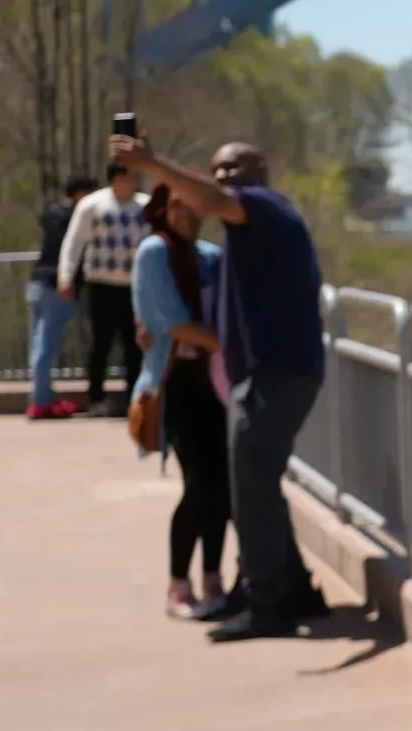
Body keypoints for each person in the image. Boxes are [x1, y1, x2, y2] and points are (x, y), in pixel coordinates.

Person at [110, 135, 330, 643]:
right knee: (256, 484)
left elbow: (214, 199)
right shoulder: (240, 234)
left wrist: (149, 163)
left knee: (249, 484)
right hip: (267, 373)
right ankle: (294, 589)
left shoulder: (261, 207)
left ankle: (267, 603)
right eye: (218, 169)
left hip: (276, 372)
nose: (225, 176)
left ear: (261, 169)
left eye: (234, 167)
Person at [131, 184, 232, 621]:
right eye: (176, 205)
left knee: (223, 487)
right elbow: (170, 323)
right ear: (163, 209)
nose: (185, 214)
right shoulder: (154, 253)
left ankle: (213, 576)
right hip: (177, 384)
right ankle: (178, 584)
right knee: (199, 485)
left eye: (192, 206)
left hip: (216, 384)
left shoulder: (210, 257)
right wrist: (230, 344)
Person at [57, 161, 150, 417]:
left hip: (136, 286)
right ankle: (96, 398)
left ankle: (135, 398)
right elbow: (74, 242)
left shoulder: (146, 206)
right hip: (100, 284)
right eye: (130, 175)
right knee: (100, 344)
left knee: (135, 345)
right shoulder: (92, 205)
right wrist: (66, 276)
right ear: (117, 177)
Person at [26, 174, 98, 419]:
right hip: (59, 284)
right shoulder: (79, 218)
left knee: (38, 343)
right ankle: (41, 400)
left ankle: (41, 395)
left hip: (37, 281)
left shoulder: (53, 214)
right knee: (46, 344)